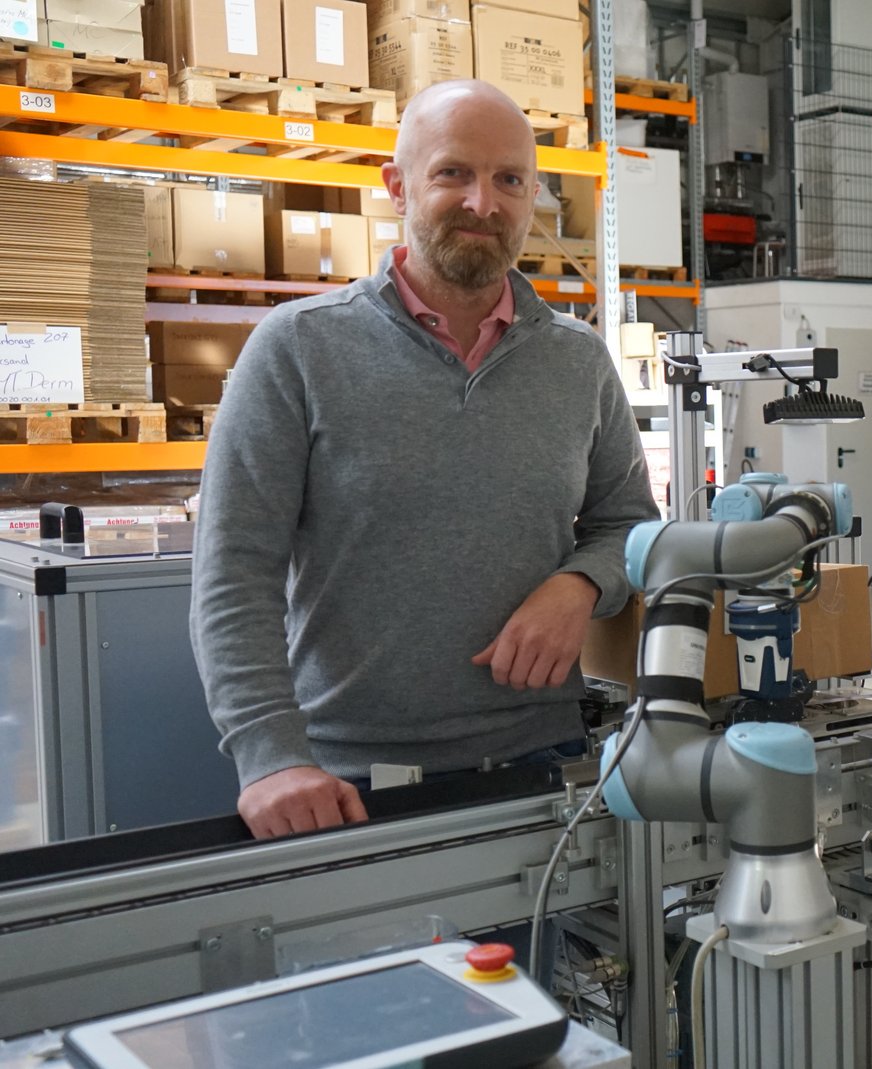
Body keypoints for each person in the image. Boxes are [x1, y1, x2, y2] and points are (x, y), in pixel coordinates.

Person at [191, 80, 660, 842]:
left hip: (541, 763)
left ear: (533, 194)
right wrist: (270, 756)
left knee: (533, 965)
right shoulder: (299, 349)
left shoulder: (577, 361)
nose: (484, 202)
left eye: (510, 179)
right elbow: (231, 572)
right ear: (397, 185)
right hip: (346, 783)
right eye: (453, 173)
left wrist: (579, 584)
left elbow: (630, 523)